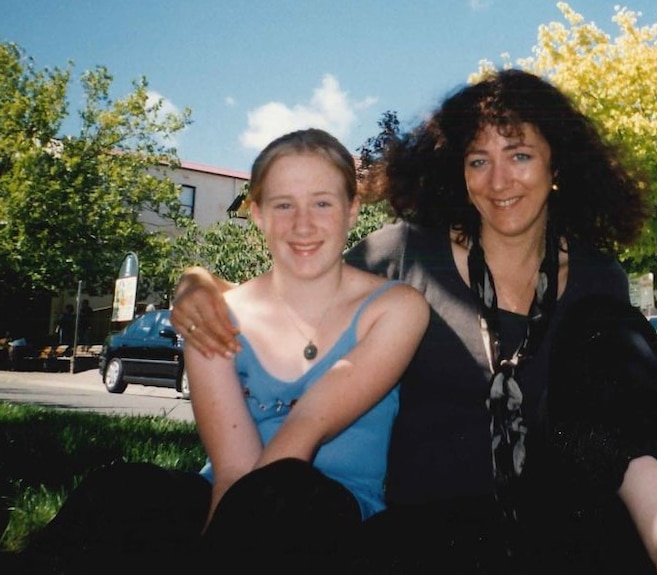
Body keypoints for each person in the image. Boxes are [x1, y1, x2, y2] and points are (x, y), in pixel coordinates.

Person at [171, 70, 657, 574]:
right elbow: (301, 284)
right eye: (478, 160)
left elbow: (629, 430)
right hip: (420, 534)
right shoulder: (407, 255)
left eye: (520, 155)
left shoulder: (597, 281)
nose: (499, 180)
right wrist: (195, 281)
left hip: (550, 528)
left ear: (558, 164)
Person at [13, 128, 429, 574]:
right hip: (227, 497)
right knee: (121, 488)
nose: (302, 224)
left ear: (351, 211)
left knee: (284, 495)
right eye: (283, 204)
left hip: (330, 509)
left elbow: (300, 435)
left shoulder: (395, 308)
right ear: (257, 214)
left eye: (322, 203)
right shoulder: (213, 314)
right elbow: (232, 470)